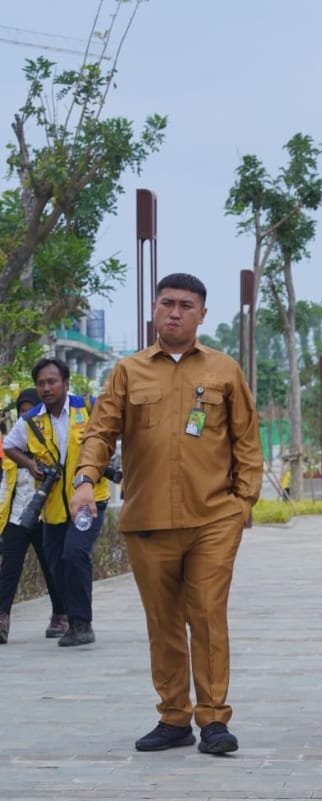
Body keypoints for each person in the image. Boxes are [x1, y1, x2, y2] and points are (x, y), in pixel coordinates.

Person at [71, 273, 262, 754]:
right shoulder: (128, 372)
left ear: (202, 314)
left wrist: (243, 504)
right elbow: (99, 432)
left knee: (207, 615)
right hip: (148, 520)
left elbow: (247, 442)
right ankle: (174, 717)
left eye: (185, 305)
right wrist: (83, 481)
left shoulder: (224, 371)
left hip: (213, 518)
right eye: (166, 303)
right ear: (154, 309)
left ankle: (214, 719)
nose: (174, 312)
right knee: (164, 623)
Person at [4, 358, 111, 648]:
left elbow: (112, 437)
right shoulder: (31, 420)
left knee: (75, 553)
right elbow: (9, 446)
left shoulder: (88, 408)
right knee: (55, 561)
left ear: (66, 383)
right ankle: (68, 616)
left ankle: (81, 623)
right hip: (52, 506)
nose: (47, 388)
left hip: (88, 500)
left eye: (52, 382)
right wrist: (30, 464)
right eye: (41, 383)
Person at [0, 388, 63, 644]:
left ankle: (60, 613)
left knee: (51, 567)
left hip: (44, 516)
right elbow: (6, 485)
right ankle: (2, 616)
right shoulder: (12, 450)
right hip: (16, 517)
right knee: (9, 568)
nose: (26, 418)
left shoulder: (49, 446)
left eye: (31, 413)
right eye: (22, 413)